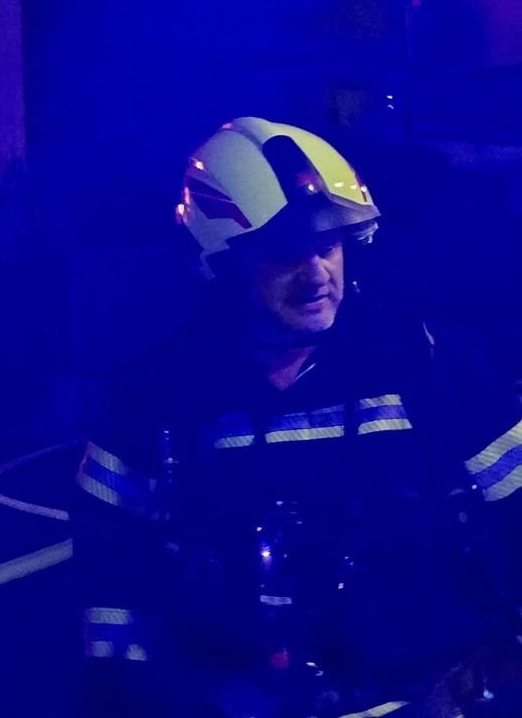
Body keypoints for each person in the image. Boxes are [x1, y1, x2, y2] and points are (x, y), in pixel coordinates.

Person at [76, 117, 522, 717]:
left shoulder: (430, 366)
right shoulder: (161, 397)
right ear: (223, 263)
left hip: (432, 699)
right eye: (287, 253)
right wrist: (127, 699)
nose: (317, 273)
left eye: (329, 246)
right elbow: (112, 569)